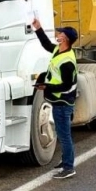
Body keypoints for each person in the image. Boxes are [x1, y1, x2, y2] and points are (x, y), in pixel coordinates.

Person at [31, 17, 79, 179]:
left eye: (59, 34)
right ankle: (66, 160)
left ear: (65, 38)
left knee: (64, 135)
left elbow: (67, 85)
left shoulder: (67, 61)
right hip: (58, 100)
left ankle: (69, 167)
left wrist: (47, 87)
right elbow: (46, 44)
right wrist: (38, 28)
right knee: (61, 133)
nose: (57, 35)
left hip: (63, 101)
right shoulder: (58, 50)